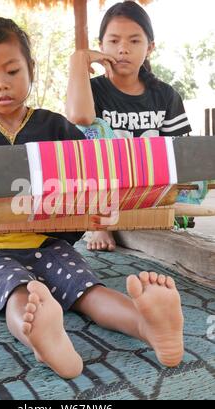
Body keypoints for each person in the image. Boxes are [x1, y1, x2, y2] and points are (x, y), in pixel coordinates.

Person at [0, 17, 184, 379]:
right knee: (19, 295)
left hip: (50, 242)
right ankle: (42, 336)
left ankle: (149, 326)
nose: (1, 84)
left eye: (12, 70)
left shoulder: (56, 128)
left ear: (30, 69)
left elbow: (89, 175)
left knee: (88, 290)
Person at [66, 1, 192, 253]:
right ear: (100, 46)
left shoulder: (165, 96)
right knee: (88, 131)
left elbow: (180, 155)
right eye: (113, 41)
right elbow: (79, 118)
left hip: (149, 188)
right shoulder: (92, 91)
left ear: (150, 48)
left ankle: (158, 214)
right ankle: (100, 223)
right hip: (102, 188)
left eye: (134, 41)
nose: (123, 49)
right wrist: (79, 59)